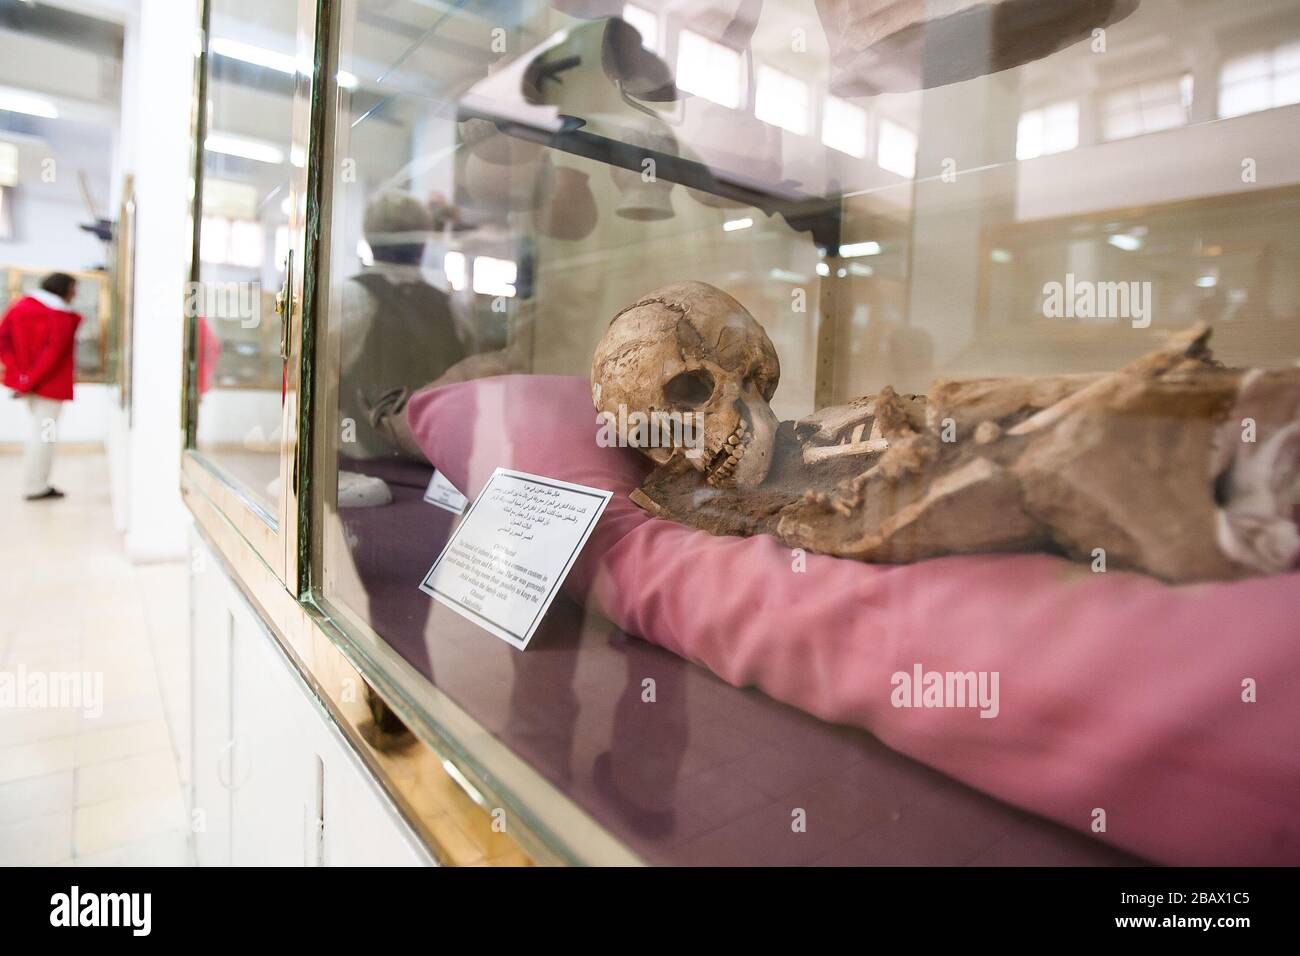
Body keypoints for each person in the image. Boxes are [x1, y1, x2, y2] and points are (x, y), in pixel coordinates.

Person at [0, 272, 83, 500]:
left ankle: (37, 483)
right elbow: (53, 354)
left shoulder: (21, 307)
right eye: (73, 288)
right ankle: (36, 486)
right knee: (45, 436)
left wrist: (21, 377)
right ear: (63, 289)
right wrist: (30, 380)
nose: (75, 294)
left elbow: (3, 341)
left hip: (29, 386)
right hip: (48, 390)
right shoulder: (59, 315)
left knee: (41, 434)